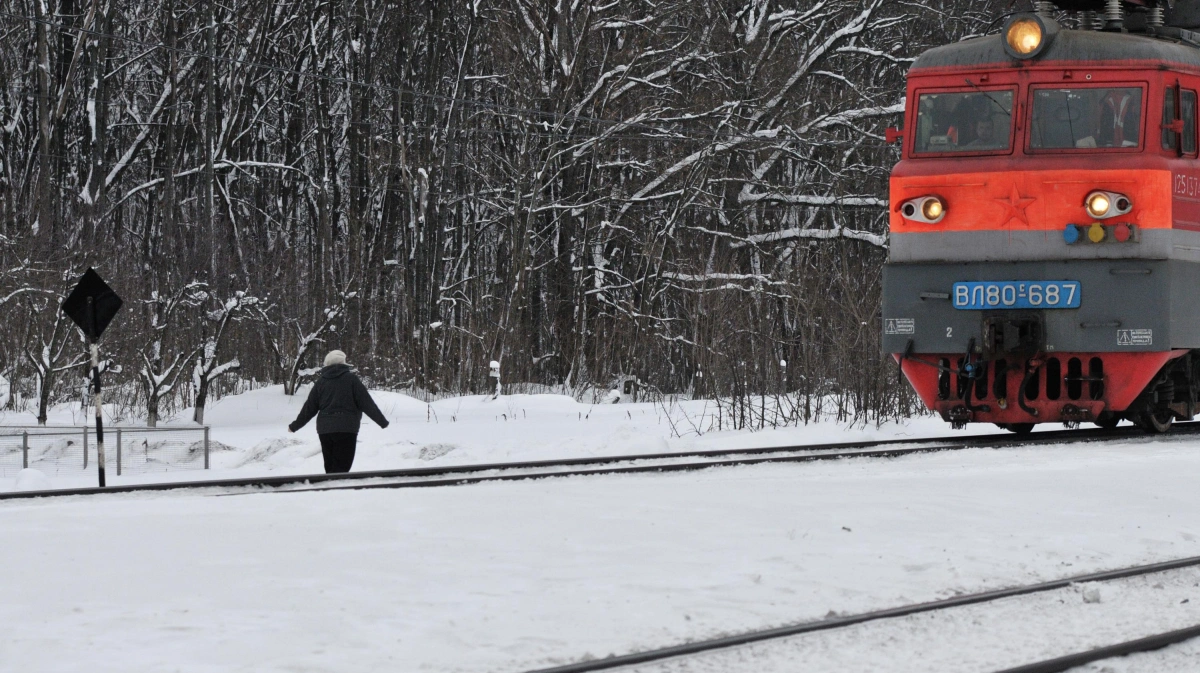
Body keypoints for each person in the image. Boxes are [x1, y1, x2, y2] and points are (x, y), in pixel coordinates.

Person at [288, 350, 389, 473]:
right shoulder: (352, 380)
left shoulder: (321, 382)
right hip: (347, 429)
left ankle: (330, 489)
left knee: (330, 469)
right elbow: (366, 403)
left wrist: (295, 426)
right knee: (342, 469)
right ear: (343, 363)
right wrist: (382, 421)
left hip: (325, 430)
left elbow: (309, 408)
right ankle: (336, 490)